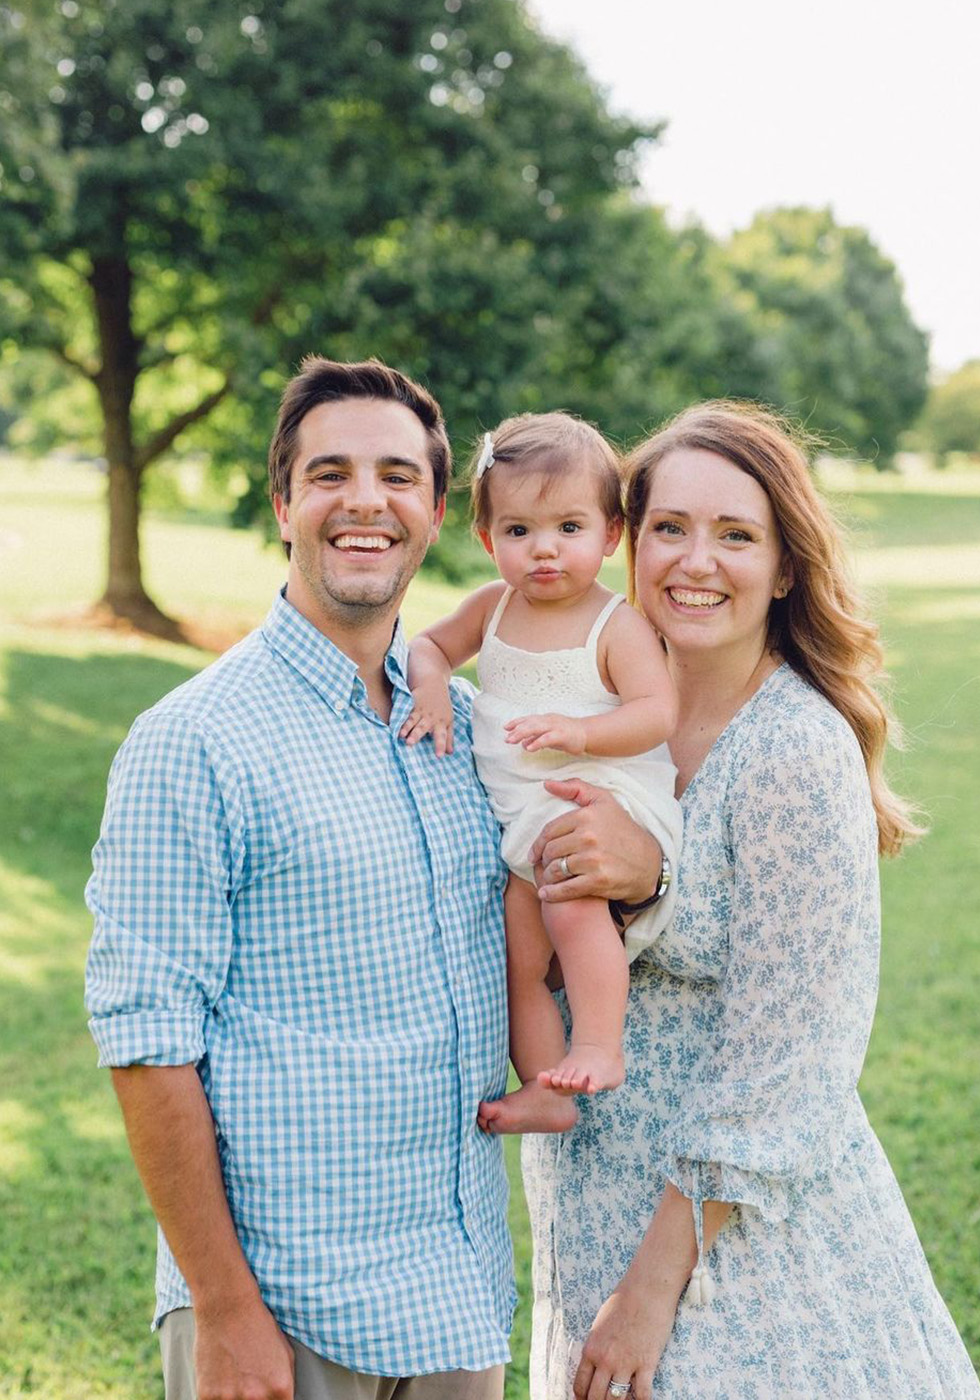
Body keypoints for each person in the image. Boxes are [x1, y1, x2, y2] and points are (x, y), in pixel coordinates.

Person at [84, 358, 665, 1400]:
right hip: (286, 1305)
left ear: (437, 513)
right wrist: (222, 1308)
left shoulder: (465, 728)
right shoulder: (194, 741)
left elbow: (568, 866)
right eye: (330, 472)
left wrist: (644, 856)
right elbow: (146, 1040)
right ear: (283, 503)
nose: (365, 499)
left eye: (397, 474)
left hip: (456, 1294)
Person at [521, 402, 980, 1399]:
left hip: (737, 1258)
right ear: (628, 540)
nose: (696, 560)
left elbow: (792, 1062)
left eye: (736, 534)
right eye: (669, 528)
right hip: (590, 1214)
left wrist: (648, 1293)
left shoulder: (791, 747)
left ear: (782, 567)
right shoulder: (596, 714)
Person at [403, 414, 682, 1134]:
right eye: (520, 532)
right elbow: (429, 645)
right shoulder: (494, 608)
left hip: (600, 791)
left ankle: (598, 1044)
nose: (544, 550)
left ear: (611, 533)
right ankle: (544, 1088)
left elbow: (657, 711)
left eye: (569, 527)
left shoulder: (614, 623)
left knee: (569, 905)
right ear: (488, 538)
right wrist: (432, 683)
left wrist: (581, 731)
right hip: (527, 820)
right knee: (517, 956)